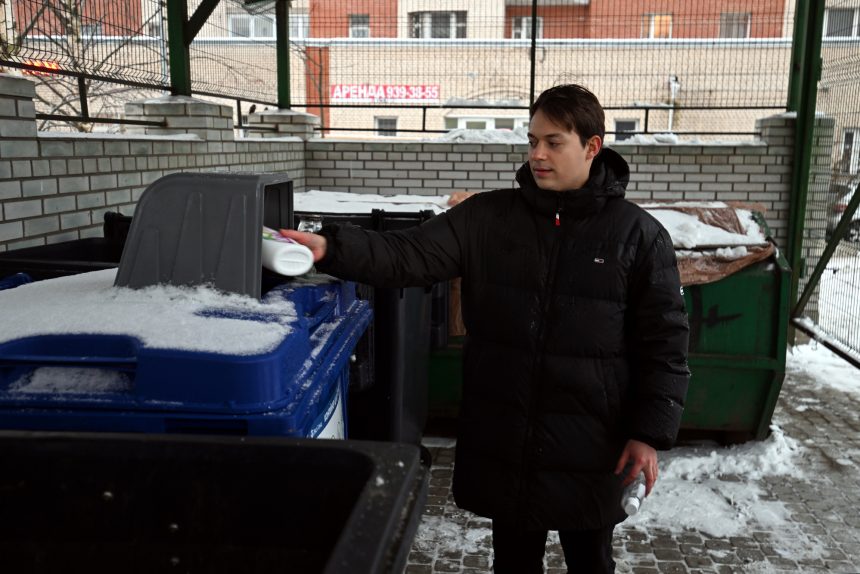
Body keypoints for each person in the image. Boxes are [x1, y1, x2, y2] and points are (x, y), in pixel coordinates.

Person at [281, 84, 690, 573]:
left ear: (592, 147)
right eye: (533, 140)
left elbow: (665, 344)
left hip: (592, 443)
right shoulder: (488, 218)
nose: (537, 154)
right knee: (513, 563)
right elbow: (407, 254)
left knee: (590, 562)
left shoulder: (636, 236)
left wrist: (648, 433)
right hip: (507, 437)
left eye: (553, 142)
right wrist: (332, 248)